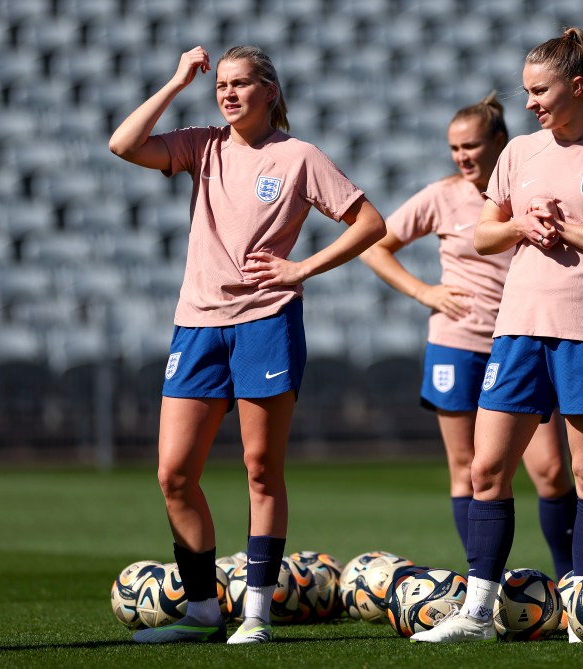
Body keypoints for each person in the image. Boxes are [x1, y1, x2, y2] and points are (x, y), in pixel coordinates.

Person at [108, 45, 385, 645]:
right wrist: (178, 80)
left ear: (270, 92)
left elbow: (370, 223)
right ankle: (204, 610)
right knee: (174, 473)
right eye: (221, 85)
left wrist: (302, 268)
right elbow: (123, 144)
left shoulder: (300, 156)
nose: (228, 93)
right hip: (198, 324)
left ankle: (255, 613)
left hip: (266, 322)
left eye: (240, 84)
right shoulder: (201, 144)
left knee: (261, 469)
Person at [411, 27, 583, 643]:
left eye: (540, 90)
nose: (529, 104)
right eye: (525, 91)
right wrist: (522, 222)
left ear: (578, 86)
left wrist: (568, 230)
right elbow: (485, 234)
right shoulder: (519, 152)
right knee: (485, 470)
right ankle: (476, 613)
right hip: (517, 331)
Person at [359, 93, 577, 580]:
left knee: (551, 470)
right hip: (456, 343)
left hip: (522, 340)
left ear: (500, 142)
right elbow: (375, 246)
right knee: (467, 467)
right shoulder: (441, 196)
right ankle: (485, 582)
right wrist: (423, 292)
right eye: (454, 147)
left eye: (471, 145)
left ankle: (571, 583)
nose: (462, 156)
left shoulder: (526, 190)